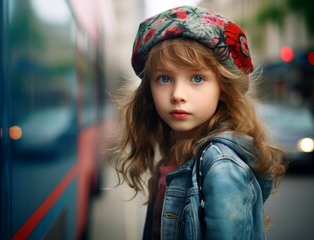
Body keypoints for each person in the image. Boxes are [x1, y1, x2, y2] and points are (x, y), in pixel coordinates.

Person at [110, 5, 288, 240]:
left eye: (197, 78)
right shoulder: (175, 158)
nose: (177, 94)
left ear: (222, 89)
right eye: (164, 78)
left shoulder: (220, 165)